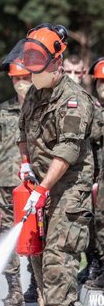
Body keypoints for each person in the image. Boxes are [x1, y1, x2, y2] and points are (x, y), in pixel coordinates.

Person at [2, 23, 94, 306]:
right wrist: (26, 166)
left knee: (59, 252)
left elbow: (67, 151)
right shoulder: (34, 96)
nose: (31, 75)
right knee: (38, 254)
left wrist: (43, 188)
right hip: (41, 185)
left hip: (69, 186)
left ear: (56, 63)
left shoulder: (74, 100)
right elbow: (22, 133)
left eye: (36, 69)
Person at [0, 62, 34, 306]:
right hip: (3, 180)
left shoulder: (42, 108)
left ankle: (39, 287)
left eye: (25, 77)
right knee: (5, 236)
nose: (20, 83)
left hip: (34, 182)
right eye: (16, 79)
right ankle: (15, 290)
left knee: (36, 233)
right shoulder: (3, 110)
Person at [63, 55, 103, 284]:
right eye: (69, 72)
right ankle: (93, 266)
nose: (73, 78)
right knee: (88, 222)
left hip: (95, 172)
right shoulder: (84, 102)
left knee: (100, 222)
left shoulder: (88, 102)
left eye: (78, 73)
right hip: (86, 173)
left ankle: (98, 266)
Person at [85, 57, 104, 290]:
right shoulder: (90, 107)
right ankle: (97, 266)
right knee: (96, 223)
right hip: (95, 176)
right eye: (100, 83)